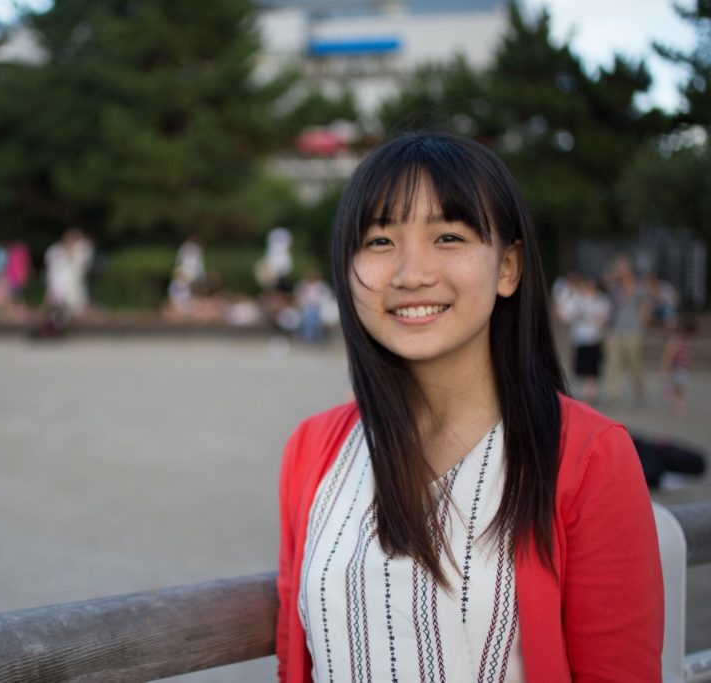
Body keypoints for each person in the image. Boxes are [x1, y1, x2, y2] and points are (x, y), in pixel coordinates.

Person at [276, 132, 662, 683]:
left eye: (448, 237)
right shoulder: (313, 450)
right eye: (379, 241)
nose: (411, 274)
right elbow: (296, 659)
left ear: (508, 267)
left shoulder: (589, 457)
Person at [556, 273, 612, 405]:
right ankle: (585, 391)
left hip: (594, 337)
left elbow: (606, 317)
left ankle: (591, 391)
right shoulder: (577, 300)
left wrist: (598, 320)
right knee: (582, 368)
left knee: (593, 367)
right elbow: (566, 315)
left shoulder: (601, 300)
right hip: (580, 338)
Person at [603, 256, 651, 405]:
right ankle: (613, 396)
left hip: (633, 331)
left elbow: (645, 308)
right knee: (613, 364)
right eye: (618, 269)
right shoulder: (615, 288)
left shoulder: (639, 287)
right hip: (615, 330)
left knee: (634, 364)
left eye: (622, 268)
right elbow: (604, 282)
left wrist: (642, 327)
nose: (620, 271)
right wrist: (613, 274)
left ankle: (640, 392)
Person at [660, 314, 697, 417]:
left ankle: (677, 403)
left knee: (681, 389)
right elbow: (670, 354)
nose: (689, 335)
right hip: (675, 368)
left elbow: (688, 356)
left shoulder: (689, 341)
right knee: (678, 387)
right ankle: (670, 392)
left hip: (684, 369)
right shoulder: (677, 340)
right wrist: (666, 366)